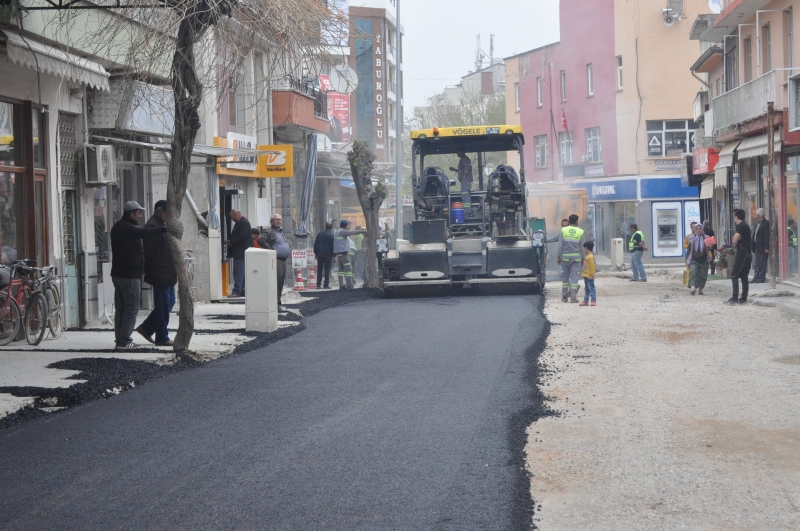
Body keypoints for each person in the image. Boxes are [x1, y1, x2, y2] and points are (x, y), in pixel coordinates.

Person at [110, 201, 167, 349]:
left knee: (121, 309)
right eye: (139, 213)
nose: (141, 216)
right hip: (129, 275)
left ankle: (120, 340)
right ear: (132, 213)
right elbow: (143, 233)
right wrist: (163, 230)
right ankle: (124, 340)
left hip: (119, 274)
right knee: (131, 308)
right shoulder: (127, 228)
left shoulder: (118, 227)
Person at [136, 200, 177, 347]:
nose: (168, 215)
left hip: (167, 272)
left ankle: (146, 327)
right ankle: (161, 336)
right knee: (163, 304)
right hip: (160, 272)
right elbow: (149, 252)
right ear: (159, 211)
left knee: (169, 302)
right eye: (167, 212)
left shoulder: (162, 224)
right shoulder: (153, 226)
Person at [257, 214, 291, 308]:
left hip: (282, 261)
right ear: (271, 221)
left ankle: (278, 303)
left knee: (280, 283)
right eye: (276, 220)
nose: (278, 221)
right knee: (277, 283)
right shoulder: (268, 231)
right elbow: (261, 239)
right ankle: (277, 305)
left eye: (280, 219)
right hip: (276, 260)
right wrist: (271, 250)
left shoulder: (280, 232)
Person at [557, 214, 585, 303]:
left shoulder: (563, 230)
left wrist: (558, 256)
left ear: (569, 221)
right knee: (574, 278)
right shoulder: (581, 231)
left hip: (565, 258)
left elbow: (560, 245)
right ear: (576, 221)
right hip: (576, 259)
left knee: (565, 278)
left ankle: (564, 297)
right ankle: (573, 298)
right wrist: (583, 258)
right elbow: (582, 246)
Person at [224, 209, 251, 297]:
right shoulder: (241, 222)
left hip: (241, 252)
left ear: (236, 215)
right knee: (241, 272)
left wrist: (231, 242)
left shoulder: (244, 223)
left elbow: (242, 236)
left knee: (238, 272)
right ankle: (243, 290)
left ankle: (237, 291)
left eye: (232, 217)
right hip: (241, 252)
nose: (232, 219)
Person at [728, 208, 752, 304]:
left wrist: (736, 240)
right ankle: (743, 298)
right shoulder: (744, 226)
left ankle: (735, 297)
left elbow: (734, 239)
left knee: (734, 275)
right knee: (743, 276)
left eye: (734, 216)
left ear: (736, 216)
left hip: (743, 253)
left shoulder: (742, 226)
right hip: (746, 252)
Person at [334, 220, 366, 290]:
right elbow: (352, 232)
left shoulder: (337, 232)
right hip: (343, 253)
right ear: (346, 226)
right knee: (349, 268)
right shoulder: (342, 232)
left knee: (341, 269)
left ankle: (341, 285)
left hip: (339, 253)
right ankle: (349, 285)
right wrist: (363, 231)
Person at [449, 148, 473, 216]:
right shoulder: (462, 160)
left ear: (463, 151)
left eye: (458, 152)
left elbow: (467, 168)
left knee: (465, 195)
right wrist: (454, 170)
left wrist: (464, 176)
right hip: (465, 181)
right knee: (465, 195)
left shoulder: (465, 159)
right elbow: (461, 171)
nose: (457, 153)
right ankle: (468, 211)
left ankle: (468, 212)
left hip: (465, 180)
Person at [687, 223, 709, 296]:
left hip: (704, 259)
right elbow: (689, 250)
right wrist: (687, 260)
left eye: (700, 229)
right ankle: (693, 288)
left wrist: (710, 246)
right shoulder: (691, 238)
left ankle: (700, 289)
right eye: (697, 229)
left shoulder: (706, 237)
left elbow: (710, 248)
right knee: (693, 272)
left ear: (702, 229)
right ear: (695, 230)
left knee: (702, 275)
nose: (699, 230)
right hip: (694, 258)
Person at [313, 222, 334, 289]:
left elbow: (315, 244)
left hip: (320, 255)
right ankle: (326, 284)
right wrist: (334, 255)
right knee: (327, 270)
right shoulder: (331, 236)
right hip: (328, 255)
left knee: (319, 269)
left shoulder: (319, 234)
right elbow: (333, 246)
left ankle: (318, 284)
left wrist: (316, 253)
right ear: (331, 228)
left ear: (325, 227)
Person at [751, 208, 769, 283]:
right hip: (757, 247)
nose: (756, 216)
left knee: (762, 263)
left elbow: (767, 236)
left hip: (762, 247)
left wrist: (766, 247)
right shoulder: (758, 223)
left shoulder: (766, 223)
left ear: (759, 215)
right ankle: (756, 277)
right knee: (757, 263)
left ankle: (761, 278)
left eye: (757, 215)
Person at [579, 241, 596, 307]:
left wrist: (592, 275)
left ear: (586, 248)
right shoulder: (587, 257)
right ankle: (585, 301)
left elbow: (593, 266)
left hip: (589, 276)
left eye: (584, 248)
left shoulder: (590, 257)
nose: (584, 250)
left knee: (591, 289)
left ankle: (593, 301)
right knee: (586, 289)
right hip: (586, 275)